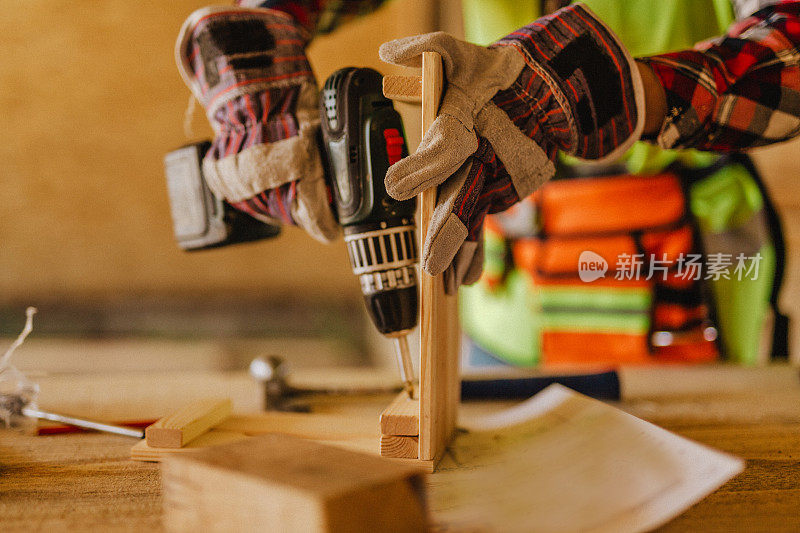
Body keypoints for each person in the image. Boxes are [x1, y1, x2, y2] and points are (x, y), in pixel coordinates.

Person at [175, 0, 800, 367]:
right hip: (505, 301)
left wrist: (637, 91)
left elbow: (790, 48)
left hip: (691, 290)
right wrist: (256, 27)